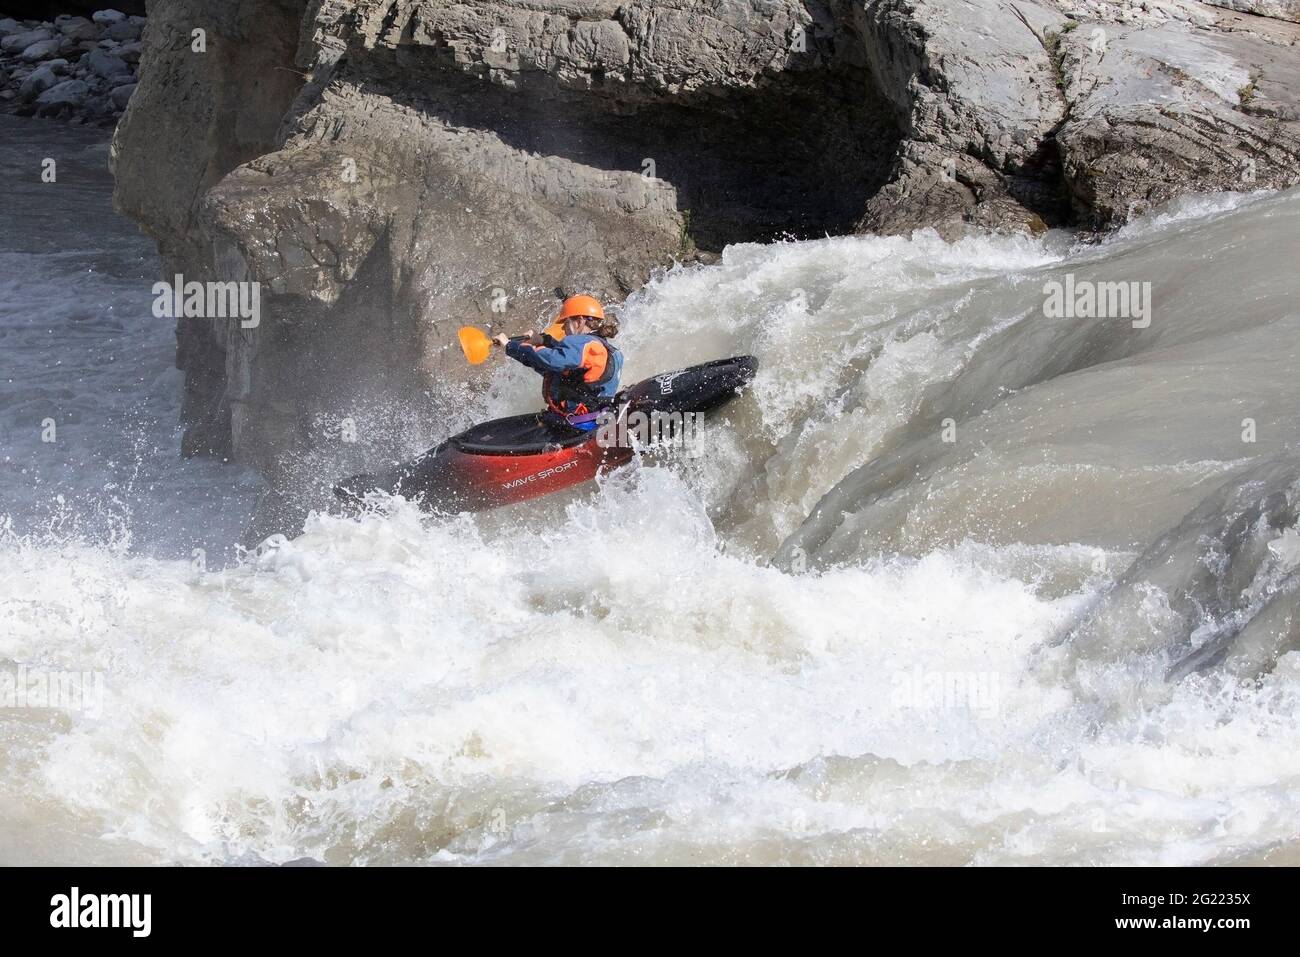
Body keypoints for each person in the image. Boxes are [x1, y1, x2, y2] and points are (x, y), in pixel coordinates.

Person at [494, 295, 623, 431]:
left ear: (579, 321)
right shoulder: (601, 347)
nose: (563, 329)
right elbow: (559, 363)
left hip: (574, 426)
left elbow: (551, 360)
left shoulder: (584, 344)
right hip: (592, 421)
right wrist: (543, 341)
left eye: (566, 323)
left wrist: (510, 345)